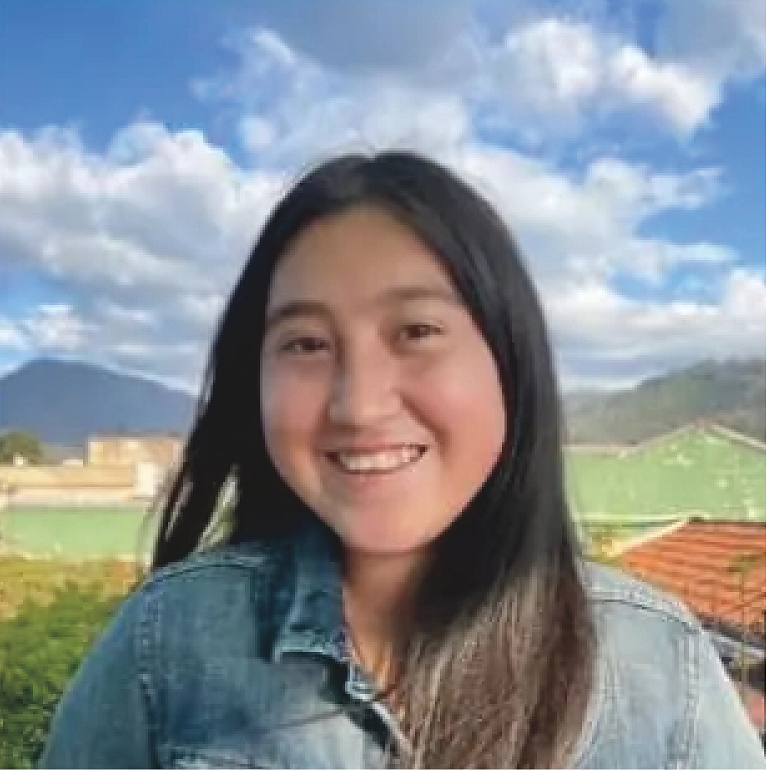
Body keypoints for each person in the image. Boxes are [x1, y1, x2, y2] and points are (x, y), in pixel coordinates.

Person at [40, 152, 765, 768]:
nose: (358, 404)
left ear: (508, 362)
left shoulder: (657, 666)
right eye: (306, 344)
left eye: (416, 330)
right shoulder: (168, 642)